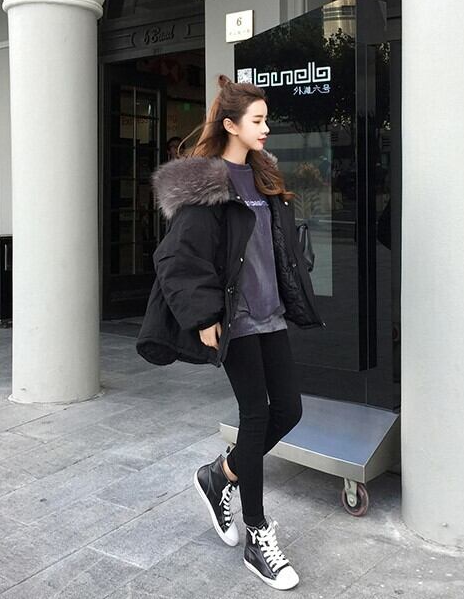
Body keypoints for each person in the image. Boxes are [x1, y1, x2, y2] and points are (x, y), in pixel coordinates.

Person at [137, 75, 324, 590]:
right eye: (257, 120)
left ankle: (220, 474)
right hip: (236, 320)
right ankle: (258, 537)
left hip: (270, 313)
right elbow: (175, 258)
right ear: (231, 125)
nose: (266, 129)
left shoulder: (264, 177)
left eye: (266, 120)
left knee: (290, 410)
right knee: (256, 416)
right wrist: (203, 316)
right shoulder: (207, 186)